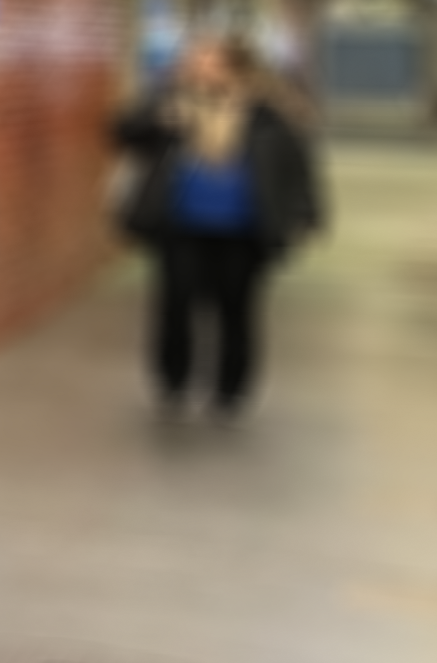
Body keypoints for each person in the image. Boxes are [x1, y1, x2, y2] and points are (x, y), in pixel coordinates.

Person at [111, 36, 323, 415]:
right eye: (193, 60)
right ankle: (173, 382)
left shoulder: (266, 112)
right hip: (180, 224)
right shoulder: (172, 103)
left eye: (207, 60)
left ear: (235, 67)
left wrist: (307, 214)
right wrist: (159, 114)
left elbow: (297, 167)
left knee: (236, 308)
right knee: (176, 305)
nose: (196, 66)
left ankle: (231, 389)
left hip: (242, 228)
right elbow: (123, 134)